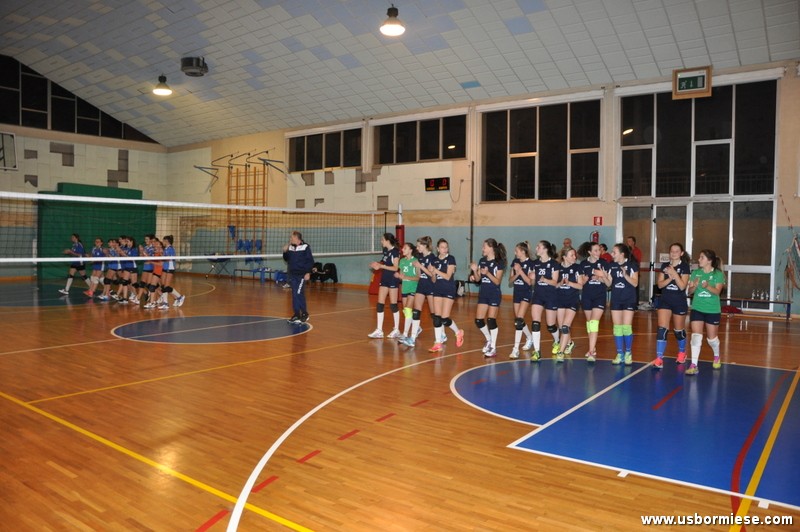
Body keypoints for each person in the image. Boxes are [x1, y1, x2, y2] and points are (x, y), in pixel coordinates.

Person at [686, 249, 726, 375]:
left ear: (709, 260)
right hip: (697, 308)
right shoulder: (695, 273)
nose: (699, 259)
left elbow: (717, 292)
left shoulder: (718, 274)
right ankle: (694, 364)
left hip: (712, 310)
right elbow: (689, 292)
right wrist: (694, 286)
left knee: (712, 339)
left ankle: (716, 356)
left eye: (702, 257)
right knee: (696, 337)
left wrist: (707, 286)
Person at [600, 243, 639, 365]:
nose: (612, 254)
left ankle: (628, 353)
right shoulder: (612, 266)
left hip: (629, 299)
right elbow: (609, 284)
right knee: (617, 328)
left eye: (614, 252)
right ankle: (620, 353)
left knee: (626, 327)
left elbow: (635, 283)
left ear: (622, 254)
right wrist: (603, 277)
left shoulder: (632, 265)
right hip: (616, 299)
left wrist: (625, 274)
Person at [653, 243, 691, 369]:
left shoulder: (684, 267)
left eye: (676, 251)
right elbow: (659, 285)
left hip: (679, 302)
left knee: (678, 331)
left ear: (681, 253)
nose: (674, 253)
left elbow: (682, 286)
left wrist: (674, 273)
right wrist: (669, 279)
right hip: (665, 301)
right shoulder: (665, 266)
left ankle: (682, 353)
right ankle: (659, 358)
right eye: (672, 251)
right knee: (662, 329)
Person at [469, 238, 506, 358]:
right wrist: (475, 272)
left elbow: (497, 281)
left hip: (494, 294)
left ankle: (493, 347)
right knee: (478, 320)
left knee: (491, 320)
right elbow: (478, 279)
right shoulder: (482, 261)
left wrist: (487, 273)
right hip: (483, 294)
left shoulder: (499, 262)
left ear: (491, 248)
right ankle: (489, 339)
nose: (482, 249)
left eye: (484, 247)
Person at [429, 238, 464, 352]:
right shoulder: (434, 260)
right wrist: (432, 273)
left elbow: (448, 276)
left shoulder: (451, 259)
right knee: (437, 318)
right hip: (437, 289)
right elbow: (433, 280)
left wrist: (435, 270)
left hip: (448, 289)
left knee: (444, 319)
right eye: (442, 247)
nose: (445, 249)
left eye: (446, 247)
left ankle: (458, 332)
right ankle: (437, 342)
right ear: (438, 249)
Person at [401, 236, 436, 348]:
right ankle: (412, 338)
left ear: (425, 245)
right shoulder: (420, 257)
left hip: (430, 286)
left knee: (434, 314)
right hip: (421, 286)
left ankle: (442, 334)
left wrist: (420, 266)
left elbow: (431, 275)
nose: (417, 248)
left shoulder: (432, 258)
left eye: (419, 245)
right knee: (416, 311)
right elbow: (419, 274)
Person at [529, 240, 560, 362]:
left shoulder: (554, 264)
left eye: (539, 247)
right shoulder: (536, 264)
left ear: (545, 249)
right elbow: (533, 283)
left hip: (551, 296)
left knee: (551, 326)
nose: (536, 248)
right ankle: (537, 351)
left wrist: (544, 279)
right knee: (535, 323)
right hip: (538, 295)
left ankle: (557, 341)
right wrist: (532, 279)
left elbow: (555, 282)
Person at [578, 242, 608, 362]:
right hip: (587, 297)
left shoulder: (604, 263)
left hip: (599, 296)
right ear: (589, 252)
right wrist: (584, 280)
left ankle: (591, 352)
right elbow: (580, 284)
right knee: (589, 324)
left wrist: (601, 277)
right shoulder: (583, 264)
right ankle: (593, 348)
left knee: (594, 323)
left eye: (599, 250)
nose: (598, 252)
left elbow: (609, 283)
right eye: (595, 250)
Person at [367, 233, 401, 338]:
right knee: (379, 304)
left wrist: (381, 266)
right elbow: (384, 264)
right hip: (385, 278)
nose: (381, 241)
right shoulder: (386, 251)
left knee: (393, 305)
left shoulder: (395, 252)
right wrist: (377, 265)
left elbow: (395, 268)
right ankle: (379, 330)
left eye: (382, 239)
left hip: (393, 279)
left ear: (387, 241)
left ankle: (396, 329)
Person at [554, 247, 583, 362]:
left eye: (575, 255)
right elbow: (554, 285)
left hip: (572, 300)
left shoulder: (577, 268)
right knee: (562, 328)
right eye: (572, 255)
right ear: (564, 257)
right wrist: (560, 283)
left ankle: (560, 351)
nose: (575, 257)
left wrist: (569, 283)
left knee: (566, 327)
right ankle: (570, 343)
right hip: (560, 299)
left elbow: (580, 286)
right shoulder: (558, 268)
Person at [507, 242, 536, 358]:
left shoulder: (531, 264)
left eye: (517, 251)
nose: (515, 253)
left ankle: (515, 349)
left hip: (526, 293)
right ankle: (530, 337)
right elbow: (510, 280)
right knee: (519, 320)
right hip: (517, 293)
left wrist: (520, 271)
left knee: (519, 320)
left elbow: (530, 282)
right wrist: (516, 273)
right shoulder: (515, 262)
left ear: (523, 251)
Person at [282, 231, 314, 323]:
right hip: (293, 275)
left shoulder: (305, 247)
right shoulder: (291, 247)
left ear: (297, 238)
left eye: (292, 237)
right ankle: (297, 314)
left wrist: (308, 272)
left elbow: (310, 261)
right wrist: (285, 251)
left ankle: (304, 314)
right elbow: (286, 259)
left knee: (298, 293)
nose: (290, 239)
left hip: (301, 275)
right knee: (295, 294)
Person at [394, 242, 419, 342]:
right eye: (403, 248)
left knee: (408, 310)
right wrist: (399, 276)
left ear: (411, 250)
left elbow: (418, 277)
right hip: (405, 288)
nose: (402, 250)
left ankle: (405, 334)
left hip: (413, 287)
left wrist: (405, 277)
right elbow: (402, 276)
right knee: (406, 311)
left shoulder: (415, 261)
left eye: (405, 248)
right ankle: (417, 327)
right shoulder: (402, 261)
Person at [159, 235, 185, 310]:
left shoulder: (171, 249)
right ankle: (178, 298)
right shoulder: (166, 249)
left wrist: (161, 257)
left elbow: (170, 259)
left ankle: (168, 302)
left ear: (166, 241)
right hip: (165, 267)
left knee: (166, 287)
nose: (162, 242)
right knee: (163, 286)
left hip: (170, 268)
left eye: (163, 241)